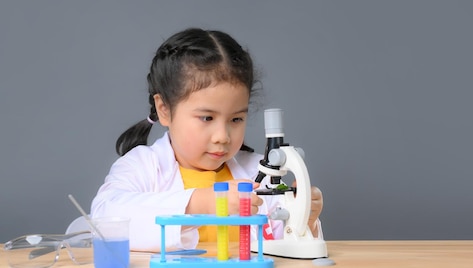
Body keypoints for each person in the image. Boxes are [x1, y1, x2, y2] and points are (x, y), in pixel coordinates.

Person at [90, 28, 324, 252]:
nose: (222, 136)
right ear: (164, 110)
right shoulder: (141, 167)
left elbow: (280, 245)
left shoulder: (259, 173)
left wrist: (304, 218)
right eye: (207, 117)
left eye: (236, 119)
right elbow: (105, 220)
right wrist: (200, 203)